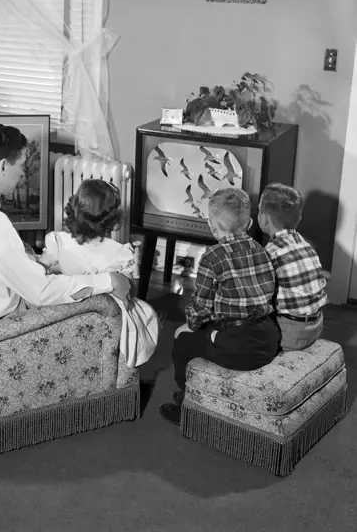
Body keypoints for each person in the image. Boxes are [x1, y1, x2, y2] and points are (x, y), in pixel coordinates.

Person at [0, 123, 133, 325]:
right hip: (2, 322)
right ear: (3, 166)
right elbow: (42, 292)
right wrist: (108, 281)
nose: (24, 174)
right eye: (21, 166)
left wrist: (34, 263)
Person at [159, 187, 279, 426]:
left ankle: (188, 406)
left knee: (182, 343)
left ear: (211, 225)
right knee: (214, 328)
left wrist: (190, 326)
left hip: (237, 346)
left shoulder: (212, 256)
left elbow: (201, 306)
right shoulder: (262, 250)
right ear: (250, 222)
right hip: (267, 338)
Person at [37, 179, 160, 368]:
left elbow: (38, 272)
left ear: (75, 209)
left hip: (67, 314)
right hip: (103, 322)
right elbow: (128, 294)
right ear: (113, 219)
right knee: (146, 312)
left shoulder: (58, 241)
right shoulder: (120, 253)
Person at [258, 182, 327, 352]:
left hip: (290, 333)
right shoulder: (305, 245)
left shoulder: (271, 252)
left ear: (264, 218)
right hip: (316, 326)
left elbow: (260, 299)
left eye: (259, 209)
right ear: (299, 218)